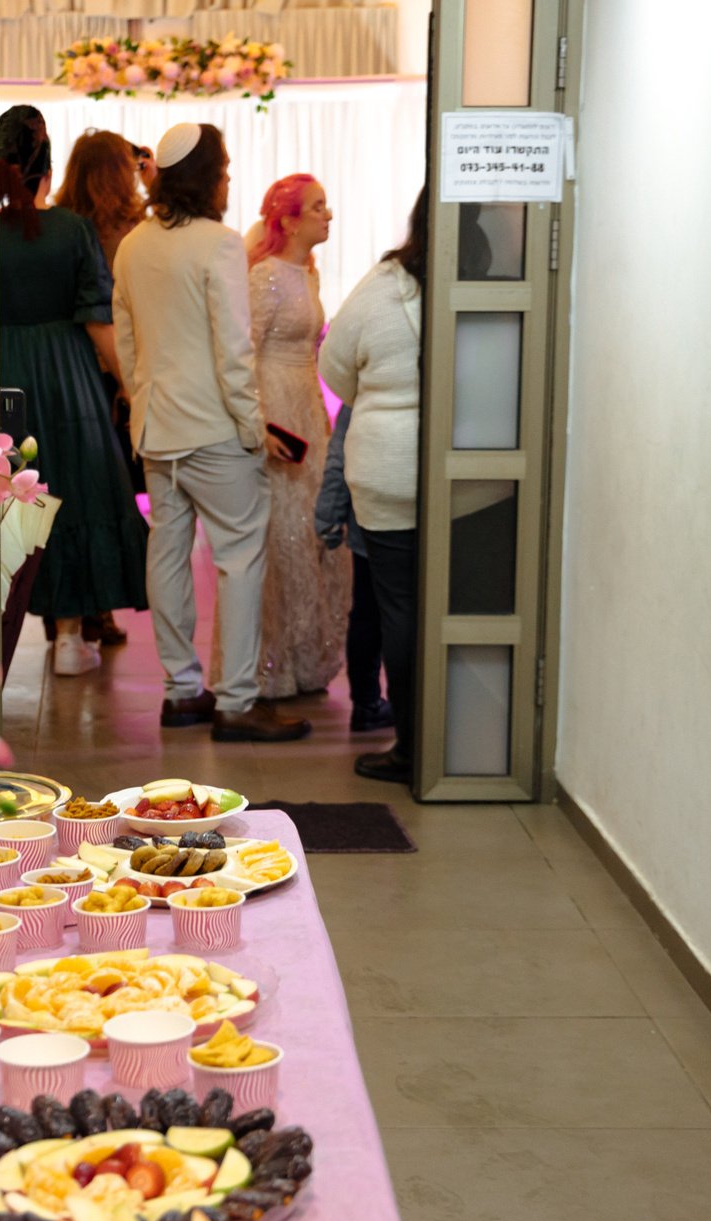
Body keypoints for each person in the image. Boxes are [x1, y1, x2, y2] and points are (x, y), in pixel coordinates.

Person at [113, 122, 310, 743]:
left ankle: (181, 691)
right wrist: (251, 427)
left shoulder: (132, 245)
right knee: (240, 559)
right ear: (205, 178)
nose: (228, 180)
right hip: (216, 431)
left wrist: (142, 409)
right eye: (223, 170)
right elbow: (234, 348)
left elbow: (127, 343)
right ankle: (237, 702)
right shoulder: (219, 244)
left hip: (157, 428)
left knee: (168, 556)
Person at [0, 105, 150, 676]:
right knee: (76, 496)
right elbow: (98, 322)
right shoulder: (73, 230)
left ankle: (0, 635)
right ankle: (67, 639)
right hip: (69, 378)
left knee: (15, 500)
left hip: (2, 378)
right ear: (48, 164)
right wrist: (131, 388)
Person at [319, 186, 426, 783]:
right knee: (459, 608)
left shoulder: (386, 283)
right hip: (478, 473)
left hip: (388, 471)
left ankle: (410, 749)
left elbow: (334, 363)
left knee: (398, 610)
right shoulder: (491, 282)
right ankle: (458, 742)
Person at [247, 174, 351, 700]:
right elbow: (244, 352)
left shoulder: (307, 273)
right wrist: (259, 421)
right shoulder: (265, 275)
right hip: (276, 407)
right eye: (317, 207)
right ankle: (273, 663)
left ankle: (310, 657)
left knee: (314, 528)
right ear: (287, 221)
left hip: (307, 404)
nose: (327, 215)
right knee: (284, 532)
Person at [55, 126, 151, 548]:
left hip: (72, 359)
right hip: (120, 357)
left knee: (78, 473)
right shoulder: (134, 230)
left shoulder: (62, 225)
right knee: (115, 478)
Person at [313, 403, 394, 731]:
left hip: (369, 513)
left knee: (367, 614)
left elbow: (340, 457)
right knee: (404, 617)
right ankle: (411, 706)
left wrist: (329, 518)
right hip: (422, 517)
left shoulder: (361, 390)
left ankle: (366, 702)